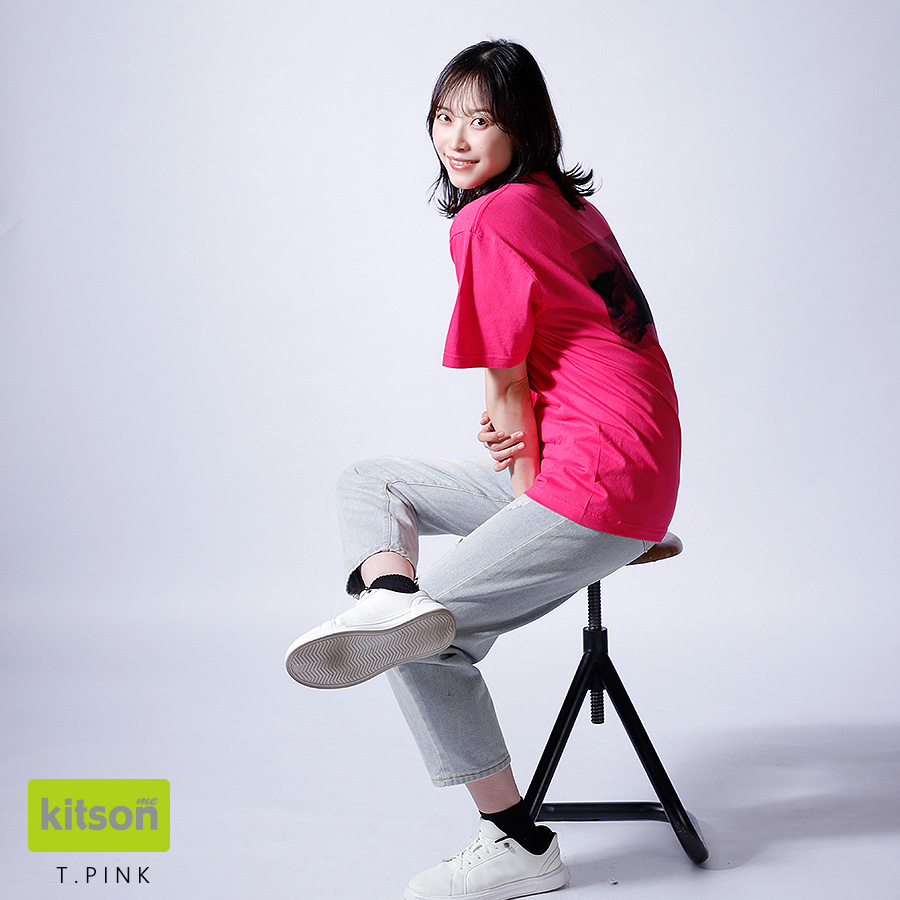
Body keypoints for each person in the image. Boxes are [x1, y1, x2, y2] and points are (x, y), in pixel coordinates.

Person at [284, 39, 681, 900]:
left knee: (424, 647)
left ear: (521, 128)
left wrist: (527, 482)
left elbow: (504, 382)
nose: (456, 139)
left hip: (595, 480)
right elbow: (577, 349)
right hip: (632, 465)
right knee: (370, 481)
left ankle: (517, 843)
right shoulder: (564, 205)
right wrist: (532, 434)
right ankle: (391, 592)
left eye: (481, 120)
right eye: (443, 117)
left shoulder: (488, 219)